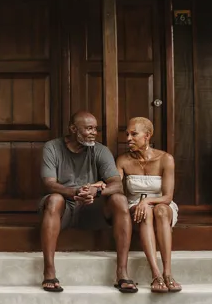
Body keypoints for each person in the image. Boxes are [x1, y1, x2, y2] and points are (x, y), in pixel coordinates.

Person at [39, 111, 136, 293]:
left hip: (92, 207)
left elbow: (116, 183)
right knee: (54, 199)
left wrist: (97, 190)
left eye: (95, 129)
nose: (94, 133)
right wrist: (74, 192)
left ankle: (122, 272)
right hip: (65, 208)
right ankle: (49, 271)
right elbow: (49, 183)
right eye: (89, 128)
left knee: (120, 200)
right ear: (73, 129)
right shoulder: (52, 147)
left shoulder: (100, 150)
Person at [116, 117, 182, 293]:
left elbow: (167, 197)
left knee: (159, 211)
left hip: (161, 204)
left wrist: (147, 201)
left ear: (147, 135)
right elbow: (115, 183)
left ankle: (168, 273)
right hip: (135, 207)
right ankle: (156, 274)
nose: (128, 138)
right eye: (127, 134)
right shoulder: (123, 160)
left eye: (133, 134)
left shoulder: (165, 159)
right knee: (146, 213)